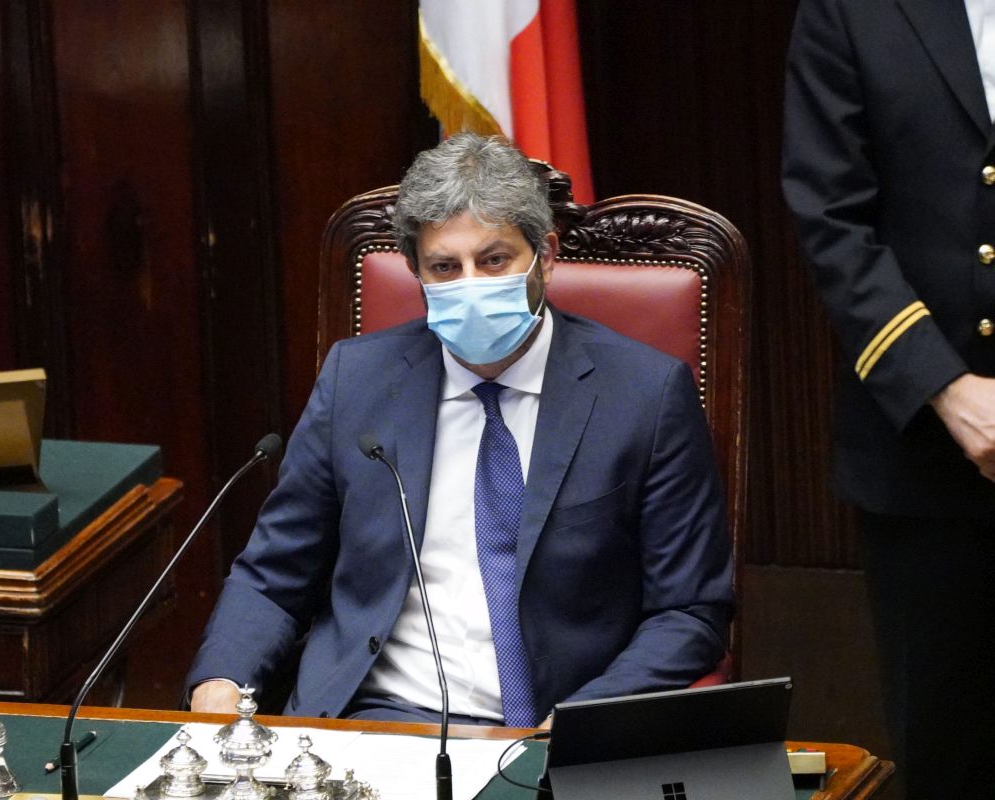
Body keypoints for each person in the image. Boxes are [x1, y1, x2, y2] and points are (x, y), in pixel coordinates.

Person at [186, 133, 733, 727]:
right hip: (377, 717)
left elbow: (689, 611)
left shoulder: (645, 396)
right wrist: (220, 683)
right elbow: (274, 575)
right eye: (445, 267)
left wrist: (585, 719)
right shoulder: (356, 382)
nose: (470, 285)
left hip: (555, 726)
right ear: (416, 274)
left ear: (546, 256)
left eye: (494, 260)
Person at [782, 1, 995, 795]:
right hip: (926, 462)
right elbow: (831, 215)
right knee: (950, 760)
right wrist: (945, 386)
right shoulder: (851, 9)